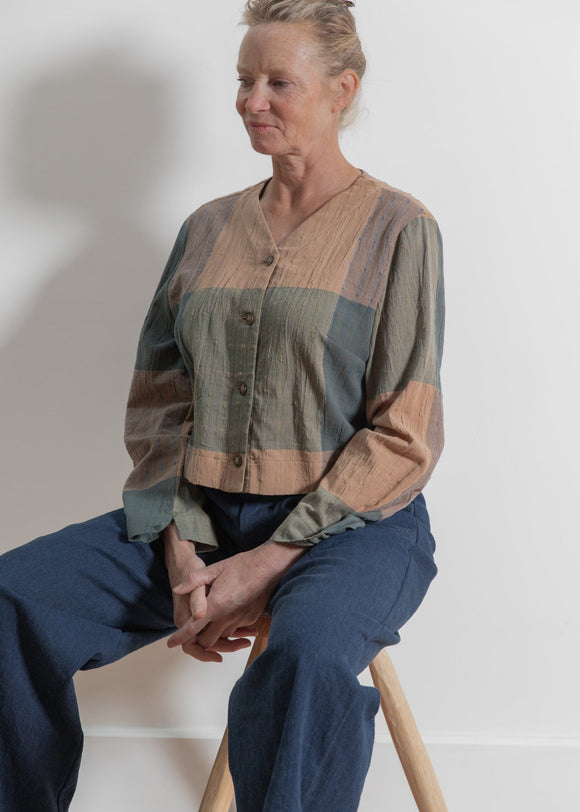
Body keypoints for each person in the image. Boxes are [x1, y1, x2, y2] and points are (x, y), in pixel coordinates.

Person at [0, 0, 445, 809]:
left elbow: (404, 432)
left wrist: (270, 560)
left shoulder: (398, 229)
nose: (252, 100)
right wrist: (180, 548)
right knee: (11, 600)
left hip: (356, 529)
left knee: (305, 657)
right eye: (245, 80)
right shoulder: (207, 229)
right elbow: (163, 402)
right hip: (199, 516)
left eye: (280, 81)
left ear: (342, 90)